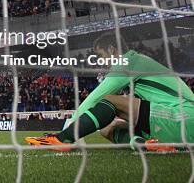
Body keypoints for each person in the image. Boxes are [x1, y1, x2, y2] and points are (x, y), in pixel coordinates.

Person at [25, 32, 194, 151]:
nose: (101, 61)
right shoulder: (136, 63)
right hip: (171, 120)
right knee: (107, 127)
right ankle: (146, 145)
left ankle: (63, 140)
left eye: (101, 55)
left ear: (112, 50)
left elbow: (96, 97)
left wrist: (66, 129)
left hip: (185, 118)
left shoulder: (128, 62)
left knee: (111, 100)